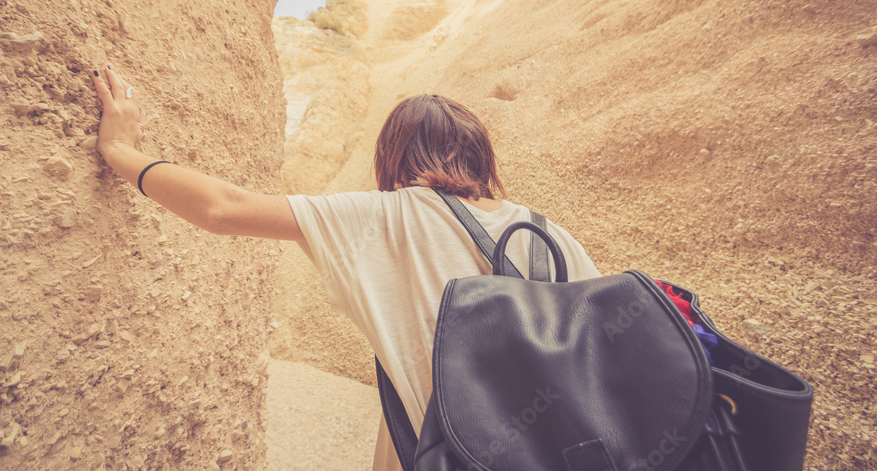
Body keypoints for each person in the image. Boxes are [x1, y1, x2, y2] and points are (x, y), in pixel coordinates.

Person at [90, 65, 602, 471]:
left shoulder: (384, 215)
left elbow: (222, 208)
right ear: (481, 158)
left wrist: (119, 150)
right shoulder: (549, 234)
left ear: (391, 157)